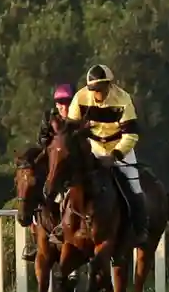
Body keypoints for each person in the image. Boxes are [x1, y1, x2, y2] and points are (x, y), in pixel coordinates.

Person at [67, 63, 145, 235]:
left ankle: (139, 230)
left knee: (134, 187)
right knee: (67, 185)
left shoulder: (123, 100)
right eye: (94, 89)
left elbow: (131, 135)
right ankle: (61, 228)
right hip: (93, 148)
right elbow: (70, 131)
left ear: (110, 85)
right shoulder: (80, 98)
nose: (97, 94)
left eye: (101, 89)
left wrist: (114, 155)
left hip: (119, 149)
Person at [22, 83, 78, 263]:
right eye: (60, 102)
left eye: (67, 101)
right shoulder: (49, 117)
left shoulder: (79, 117)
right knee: (32, 191)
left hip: (72, 169)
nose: (64, 106)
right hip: (52, 165)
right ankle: (34, 241)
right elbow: (42, 140)